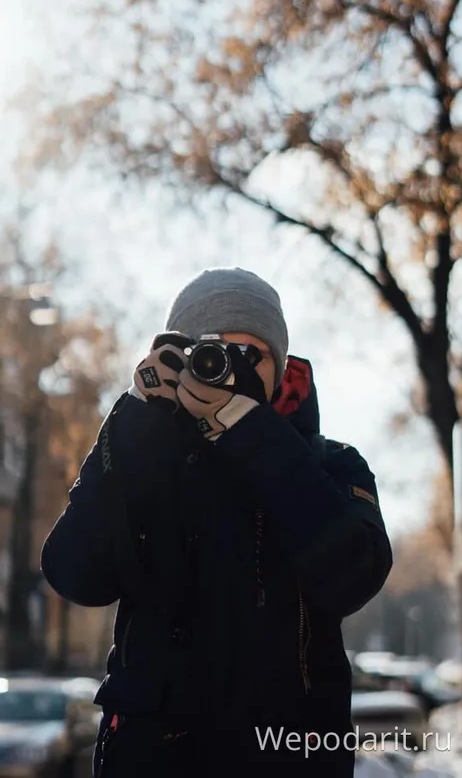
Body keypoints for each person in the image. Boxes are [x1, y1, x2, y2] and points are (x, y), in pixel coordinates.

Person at [41, 267, 393, 777]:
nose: (227, 366)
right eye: (208, 349)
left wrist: (250, 431)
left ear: (282, 365)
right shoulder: (146, 456)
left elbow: (354, 575)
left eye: (252, 354)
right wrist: (135, 420)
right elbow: (74, 572)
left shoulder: (331, 464)